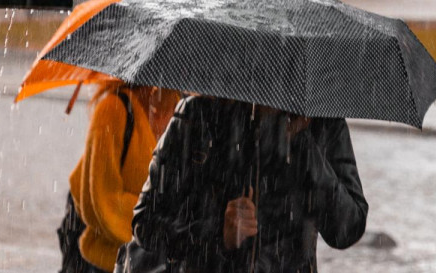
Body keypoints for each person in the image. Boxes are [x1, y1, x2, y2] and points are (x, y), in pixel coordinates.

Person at [129, 95, 367, 273]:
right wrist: (216, 234)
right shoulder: (199, 113)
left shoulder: (322, 123)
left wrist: (302, 144)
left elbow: (346, 229)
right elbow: (145, 222)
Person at [64, 84, 182, 273]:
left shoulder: (181, 109)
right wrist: (154, 223)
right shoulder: (113, 109)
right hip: (109, 262)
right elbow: (103, 200)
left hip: (156, 263)